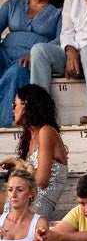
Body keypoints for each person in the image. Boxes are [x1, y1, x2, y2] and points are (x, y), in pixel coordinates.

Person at [0, 0, 65, 125]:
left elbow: (62, 39)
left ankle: (5, 123)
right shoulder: (12, 5)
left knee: (16, 72)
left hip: (29, 61)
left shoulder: (58, 12)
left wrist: (35, 52)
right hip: (5, 53)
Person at [1, 84, 69, 218]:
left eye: (15, 105)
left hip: (35, 207)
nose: (12, 110)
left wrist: (19, 164)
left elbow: (41, 181)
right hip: (23, 202)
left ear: (26, 106)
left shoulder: (46, 131)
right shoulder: (30, 137)